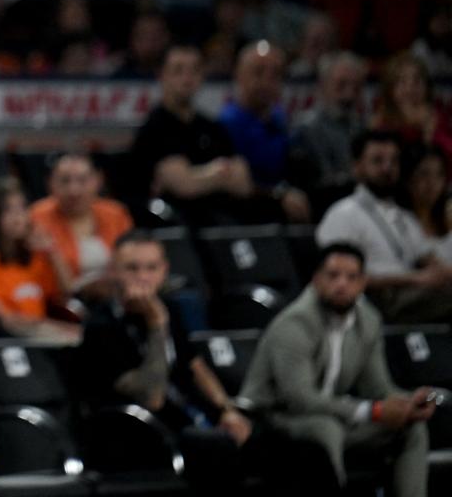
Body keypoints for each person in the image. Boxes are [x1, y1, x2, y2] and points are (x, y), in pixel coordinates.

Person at [240, 243, 433, 497]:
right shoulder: (295, 323)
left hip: (333, 415)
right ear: (316, 279)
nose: (342, 284)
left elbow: (377, 387)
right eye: (333, 276)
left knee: (412, 428)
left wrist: (407, 404)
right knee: (325, 427)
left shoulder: (368, 320)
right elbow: (300, 399)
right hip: (273, 419)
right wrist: (373, 411)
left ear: (363, 283)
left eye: (351, 277)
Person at [78, 231, 256, 495]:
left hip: (193, 420)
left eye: (151, 268)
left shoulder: (170, 308)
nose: (143, 276)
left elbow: (196, 366)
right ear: (114, 271)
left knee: (274, 439)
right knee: (214, 446)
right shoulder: (102, 326)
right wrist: (156, 326)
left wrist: (226, 409)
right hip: (142, 433)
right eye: (132, 268)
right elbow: (152, 397)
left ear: (164, 271)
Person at [316, 131, 452, 324]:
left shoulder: (402, 216)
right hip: (376, 299)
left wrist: (439, 274)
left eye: (393, 161)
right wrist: (415, 279)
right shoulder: (343, 213)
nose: (387, 168)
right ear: (357, 167)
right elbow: (339, 278)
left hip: (414, 294)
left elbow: (430, 259)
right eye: (377, 161)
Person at [126, 45, 257, 223]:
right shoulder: (155, 127)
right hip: (175, 222)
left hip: (221, 217)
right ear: (162, 75)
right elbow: (184, 186)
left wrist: (199, 176)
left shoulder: (213, 127)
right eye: (178, 70)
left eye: (194, 70)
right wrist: (220, 172)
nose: (187, 78)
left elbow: (243, 183)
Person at [0, 177, 77, 341]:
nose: (17, 218)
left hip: (42, 330)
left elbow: (67, 291)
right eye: (8, 211)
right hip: (7, 333)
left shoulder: (36, 254)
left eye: (22, 209)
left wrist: (52, 253)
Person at [217, 41, 312, 222]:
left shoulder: (279, 118)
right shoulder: (226, 124)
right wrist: (278, 196)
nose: (267, 82)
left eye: (275, 74)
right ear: (239, 75)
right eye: (258, 72)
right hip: (246, 216)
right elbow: (235, 186)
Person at [29, 154, 133, 298]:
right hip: (60, 299)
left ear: (98, 180)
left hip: (115, 295)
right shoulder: (37, 217)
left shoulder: (116, 214)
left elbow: (132, 260)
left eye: (82, 180)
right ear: (50, 183)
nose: (74, 190)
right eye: (65, 181)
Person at [292, 51, 367, 215]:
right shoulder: (307, 128)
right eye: (341, 85)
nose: (349, 95)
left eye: (356, 87)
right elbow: (323, 182)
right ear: (323, 85)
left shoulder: (361, 127)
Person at [372, 51, 452, 161]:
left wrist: (430, 131)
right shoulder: (380, 121)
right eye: (402, 81)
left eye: (417, 80)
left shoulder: (439, 116)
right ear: (389, 89)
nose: (410, 89)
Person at [403, 147, 452, 263]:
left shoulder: (448, 218)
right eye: (424, 174)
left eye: (439, 174)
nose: (432, 182)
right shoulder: (398, 221)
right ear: (408, 179)